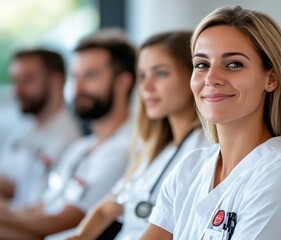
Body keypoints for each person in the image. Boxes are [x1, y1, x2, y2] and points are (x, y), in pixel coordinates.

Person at [142, 6, 281, 240]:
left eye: (233, 64)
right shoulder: (189, 169)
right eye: (202, 65)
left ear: (271, 78)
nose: (211, 78)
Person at [66, 31, 209, 240]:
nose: (146, 87)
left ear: (193, 76)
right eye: (142, 76)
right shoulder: (155, 149)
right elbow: (108, 208)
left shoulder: (203, 149)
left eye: (160, 73)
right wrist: (79, 237)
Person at [0, 28, 136, 239]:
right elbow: (42, 207)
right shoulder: (82, 147)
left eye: (90, 75)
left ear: (123, 82)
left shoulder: (125, 149)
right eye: (75, 76)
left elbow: (63, 222)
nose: (78, 87)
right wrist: (7, 213)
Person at [0, 49, 82, 209]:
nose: (18, 91)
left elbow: (44, 210)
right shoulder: (22, 131)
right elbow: (9, 184)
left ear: (56, 80)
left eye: (27, 80)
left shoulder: (69, 140)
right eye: (15, 80)